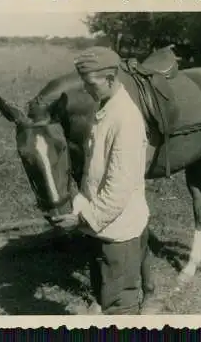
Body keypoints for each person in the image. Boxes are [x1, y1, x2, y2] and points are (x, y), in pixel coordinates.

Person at [50, 46, 152, 315]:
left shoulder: (126, 119)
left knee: (120, 305)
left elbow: (118, 189)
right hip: (102, 225)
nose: (86, 89)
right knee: (104, 294)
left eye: (90, 83)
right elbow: (94, 171)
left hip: (119, 231)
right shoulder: (104, 106)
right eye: (84, 83)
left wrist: (81, 219)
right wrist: (79, 203)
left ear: (110, 78)